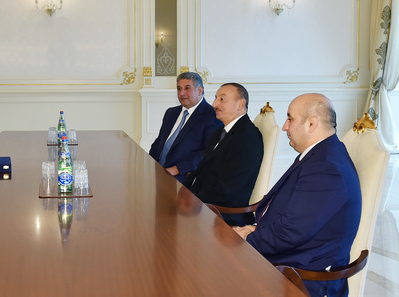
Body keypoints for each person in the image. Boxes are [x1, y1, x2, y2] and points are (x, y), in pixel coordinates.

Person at [234, 93, 362, 297]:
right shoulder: (322, 154)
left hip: (302, 276)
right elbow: (297, 220)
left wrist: (247, 240)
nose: (285, 127)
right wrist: (254, 229)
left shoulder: (326, 167)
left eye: (290, 119)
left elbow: (291, 233)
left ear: (311, 124)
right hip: (291, 257)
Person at [185, 83, 264, 226]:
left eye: (222, 99)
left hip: (223, 214)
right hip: (205, 204)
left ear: (240, 105)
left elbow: (229, 190)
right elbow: (205, 171)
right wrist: (184, 193)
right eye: (216, 98)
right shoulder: (219, 132)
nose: (214, 104)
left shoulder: (247, 137)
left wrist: (193, 201)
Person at [149, 72, 222, 183]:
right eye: (179, 89)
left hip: (183, 176)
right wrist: (149, 163)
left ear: (200, 90)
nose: (181, 93)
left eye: (187, 88)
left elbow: (209, 151)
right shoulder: (171, 113)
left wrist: (178, 169)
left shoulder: (212, 115)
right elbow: (159, 142)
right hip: (158, 172)